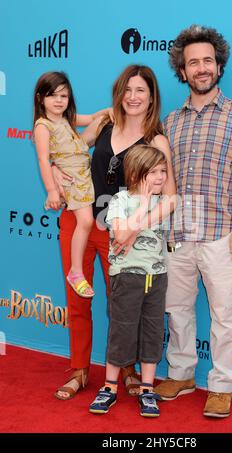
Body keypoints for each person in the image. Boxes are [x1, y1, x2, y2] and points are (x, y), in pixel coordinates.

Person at [154, 25, 232, 418]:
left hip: (222, 235)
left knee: (225, 315)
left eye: (207, 61)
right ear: (182, 71)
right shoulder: (171, 120)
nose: (201, 68)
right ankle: (181, 373)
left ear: (219, 66)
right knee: (177, 309)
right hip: (177, 235)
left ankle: (220, 385)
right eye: (192, 62)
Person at [52, 65, 176, 400]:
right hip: (79, 223)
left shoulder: (157, 140)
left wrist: (134, 227)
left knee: (123, 306)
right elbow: (70, 152)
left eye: (141, 91)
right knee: (77, 300)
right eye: (128, 90)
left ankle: (127, 370)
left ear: (152, 98)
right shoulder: (105, 123)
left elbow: (171, 198)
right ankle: (79, 370)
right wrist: (55, 171)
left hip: (121, 235)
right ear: (119, 93)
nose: (133, 97)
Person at [89, 144, 169, 418]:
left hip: (157, 278)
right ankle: (110, 387)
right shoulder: (119, 201)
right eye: (153, 172)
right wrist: (144, 205)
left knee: (152, 332)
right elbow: (121, 236)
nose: (160, 177)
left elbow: (136, 232)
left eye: (163, 171)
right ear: (135, 173)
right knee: (121, 331)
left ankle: (147, 388)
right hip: (126, 278)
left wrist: (144, 215)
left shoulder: (166, 202)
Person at [34, 72, 99, 298]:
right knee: (86, 222)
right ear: (41, 98)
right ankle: (76, 271)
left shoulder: (66, 119)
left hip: (83, 176)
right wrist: (52, 189)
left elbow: (92, 119)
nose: (59, 100)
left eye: (64, 96)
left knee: (86, 221)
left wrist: (111, 112)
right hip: (71, 180)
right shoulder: (43, 125)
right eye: (53, 96)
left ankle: (76, 271)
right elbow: (43, 159)